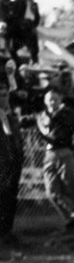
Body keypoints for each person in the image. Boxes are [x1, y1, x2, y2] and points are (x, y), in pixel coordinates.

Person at [36, 89, 74, 231]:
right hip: (49, 153)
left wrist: (73, 150)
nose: (53, 102)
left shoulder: (69, 115)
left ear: (60, 100)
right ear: (45, 101)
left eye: (55, 99)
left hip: (65, 152)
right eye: (50, 99)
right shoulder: (41, 117)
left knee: (68, 187)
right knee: (52, 191)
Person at [0, 59, 24, 247]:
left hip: (13, 162)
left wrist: (9, 73)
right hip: (3, 162)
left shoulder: (10, 116)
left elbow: (13, 86)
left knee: (10, 196)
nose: (3, 97)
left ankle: (6, 231)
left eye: (4, 94)